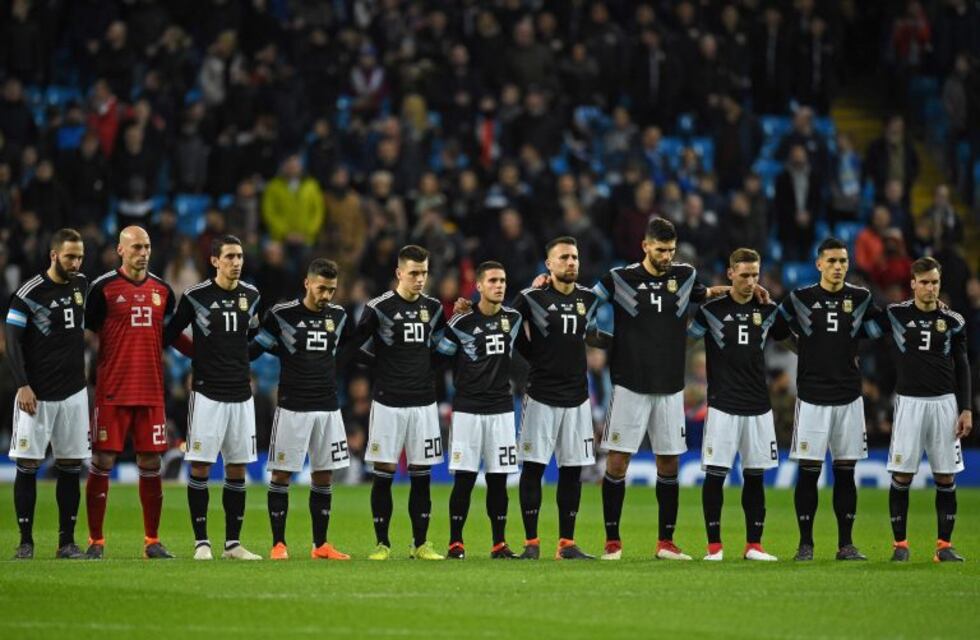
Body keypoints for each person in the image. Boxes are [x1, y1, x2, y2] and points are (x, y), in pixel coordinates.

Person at [595, 218, 742, 561]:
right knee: (617, 462)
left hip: (670, 385)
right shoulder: (620, 278)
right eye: (660, 250)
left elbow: (706, 294)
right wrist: (601, 340)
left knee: (669, 463)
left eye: (671, 250)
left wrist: (737, 291)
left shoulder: (685, 276)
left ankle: (666, 542)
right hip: (629, 384)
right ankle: (612, 542)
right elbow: (585, 301)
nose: (666, 256)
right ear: (645, 246)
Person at [778, 237, 882, 561]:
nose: (838, 267)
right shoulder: (801, 298)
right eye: (832, 261)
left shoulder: (861, 297)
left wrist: (851, 347)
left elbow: (879, 328)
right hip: (812, 396)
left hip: (849, 396)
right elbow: (777, 328)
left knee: (846, 471)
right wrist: (804, 349)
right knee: (809, 471)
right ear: (819, 264)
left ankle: (845, 544)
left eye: (843, 261)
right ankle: (805, 544)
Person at [84, 226, 183, 560]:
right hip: (113, 390)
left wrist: (206, 354)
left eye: (148, 246)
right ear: (121, 251)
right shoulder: (102, 289)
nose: (144, 252)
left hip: (151, 389)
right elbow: (84, 334)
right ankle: (96, 541)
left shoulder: (162, 290)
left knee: (151, 461)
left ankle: (152, 541)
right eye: (137, 247)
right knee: (102, 460)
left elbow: (171, 335)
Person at [688, 248, 791, 561]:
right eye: (744, 274)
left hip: (758, 405)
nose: (749, 281)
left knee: (755, 476)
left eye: (754, 275)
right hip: (722, 404)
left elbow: (786, 336)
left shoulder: (768, 310)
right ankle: (714, 547)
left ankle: (754, 545)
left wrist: (772, 302)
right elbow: (688, 340)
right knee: (716, 475)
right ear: (730, 273)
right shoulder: (711, 311)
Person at [165, 235, 262, 560]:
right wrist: (198, 355)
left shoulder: (252, 296)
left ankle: (233, 544)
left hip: (241, 394)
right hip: (207, 392)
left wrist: (240, 362)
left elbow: (251, 339)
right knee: (202, 466)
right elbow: (170, 332)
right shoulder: (196, 296)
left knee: (237, 469)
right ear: (215, 261)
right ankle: (201, 542)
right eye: (230, 256)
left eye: (240, 256)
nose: (236, 262)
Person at [251, 258, 354, 561]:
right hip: (293, 407)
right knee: (282, 475)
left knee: (324, 476)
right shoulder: (281, 315)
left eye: (331, 290)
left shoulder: (339, 316)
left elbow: (349, 348)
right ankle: (278, 544)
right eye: (321, 288)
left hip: (328, 407)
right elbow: (257, 348)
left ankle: (320, 545)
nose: (326, 296)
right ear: (307, 283)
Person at [511, 237, 602, 560]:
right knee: (533, 468)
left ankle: (566, 543)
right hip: (541, 395)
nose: (571, 262)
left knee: (571, 470)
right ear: (548, 264)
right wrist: (532, 355)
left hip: (577, 397)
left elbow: (588, 334)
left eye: (575, 257)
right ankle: (531, 543)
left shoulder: (589, 298)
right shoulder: (531, 297)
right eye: (563, 257)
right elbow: (506, 325)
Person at [876, 257, 972, 562]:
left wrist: (966, 408)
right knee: (902, 475)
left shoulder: (954, 321)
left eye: (935, 282)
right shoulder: (896, 315)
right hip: (909, 404)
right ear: (913, 283)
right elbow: (861, 332)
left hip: (945, 404)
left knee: (945, 477)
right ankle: (900, 545)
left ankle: (944, 546)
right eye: (925, 282)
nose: (930, 288)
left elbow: (964, 366)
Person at [356, 245, 448, 560]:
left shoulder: (434, 308)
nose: (420, 279)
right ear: (399, 273)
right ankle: (382, 543)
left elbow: (441, 350)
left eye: (424, 273)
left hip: (423, 403)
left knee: (422, 474)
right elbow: (356, 348)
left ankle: (420, 544)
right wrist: (383, 368)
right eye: (413, 273)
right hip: (388, 402)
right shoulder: (378, 307)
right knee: (384, 471)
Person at [7, 229, 89, 559]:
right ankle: (25, 542)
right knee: (28, 463)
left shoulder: (82, 285)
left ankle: (66, 543)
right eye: (70, 256)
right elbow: (11, 343)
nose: (76, 262)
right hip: (36, 394)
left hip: (73, 393)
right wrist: (23, 384)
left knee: (70, 465)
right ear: (54, 255)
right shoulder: (28, 294)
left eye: (80, 256)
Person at [437, 261, 523, 559]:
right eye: (493, 281)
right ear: (479, 286)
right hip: (468, 411)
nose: (499, 286)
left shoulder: (513, 318)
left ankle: (499, 543)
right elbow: (439, 357)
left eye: (502, 281)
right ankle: (455, 542)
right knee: (465, 478)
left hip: (501, 410)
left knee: (499, 480)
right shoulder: (461, 323)